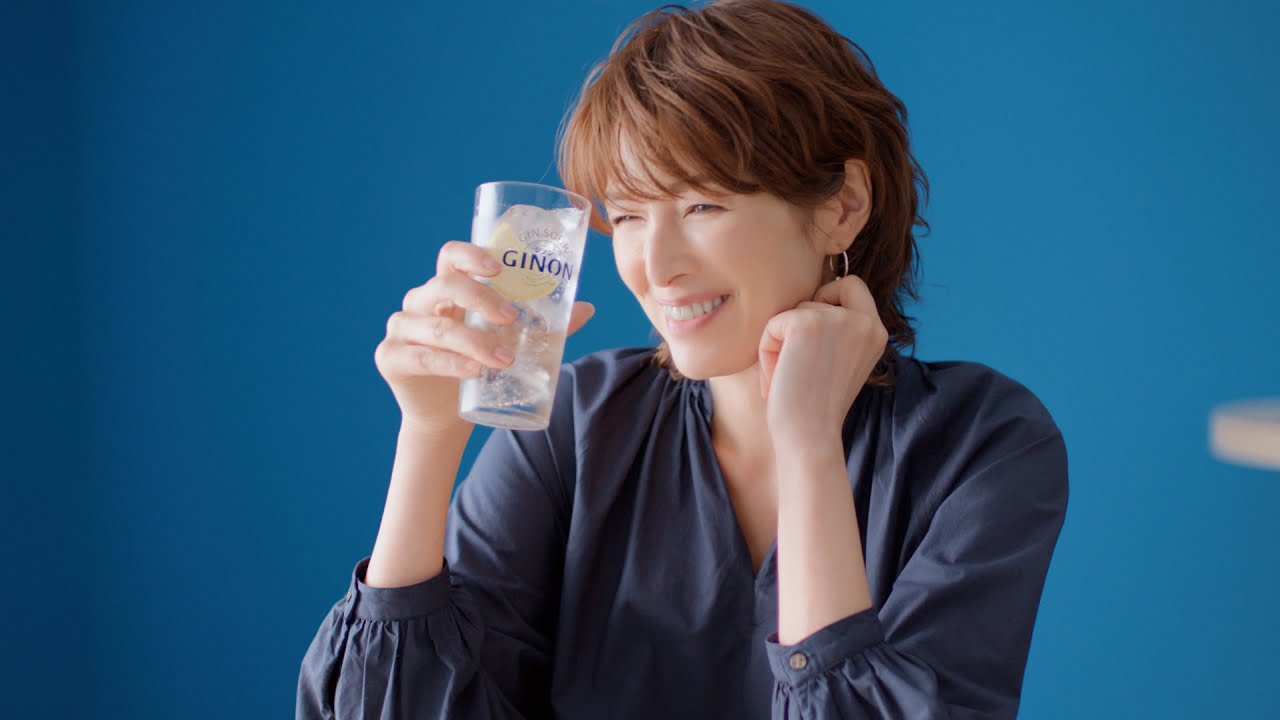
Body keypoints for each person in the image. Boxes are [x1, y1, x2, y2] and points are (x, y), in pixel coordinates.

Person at [296, 1, 1069, 718]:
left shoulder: (984, 444)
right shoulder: (577, 424)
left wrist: (807, 445)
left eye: (703, 204)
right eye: (630, 215)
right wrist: (429, 435)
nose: (656, 266)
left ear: (843, 206)